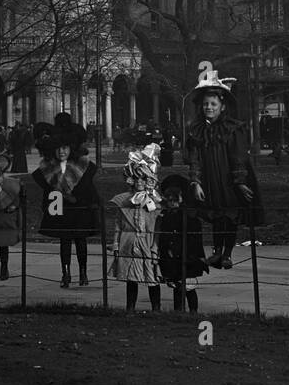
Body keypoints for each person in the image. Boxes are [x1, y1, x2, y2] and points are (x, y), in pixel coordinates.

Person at [185, 70, 264, 270]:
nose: (209, 108)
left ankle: (227, 253)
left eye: (213, 104)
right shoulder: (197, 130)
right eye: (205, 104)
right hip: (209, 177)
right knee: (215, 216)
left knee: (229, 216)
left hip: (228, 178)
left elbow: (238, 156)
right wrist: (196, 181)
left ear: (222, 106)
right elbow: (194, 158)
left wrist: (240, 181)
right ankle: (216, 251)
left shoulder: (232, 128)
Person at [32, 125, 99, 288]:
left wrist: (84, 201)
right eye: (58, 149)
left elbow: (89, 189)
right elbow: (47, 190)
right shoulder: (47, 168)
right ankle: (66, 273)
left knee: (81, 241)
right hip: (61, 209)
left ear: (71, 149)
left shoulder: (83, 166)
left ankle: (83, 272)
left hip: (79, 209)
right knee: (65, 242)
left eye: (65, 148)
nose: (61, 152)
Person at [109, 144, 162, 311]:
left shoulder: (155, 203)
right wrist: (116, 244)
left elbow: (158, 227)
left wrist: (155, 247)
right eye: (137, 179)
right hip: (129, 242)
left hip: (147, 243)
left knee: (152, 276)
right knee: (131, 277)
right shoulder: (124, 201)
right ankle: (130, 308)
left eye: (143, 179)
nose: (139, 182)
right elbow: (118, 224)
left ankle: (156, 308)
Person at [156, 173, 208, 312]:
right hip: (172, 256)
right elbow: (163, 236)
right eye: (169, 200)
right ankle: (179, 311)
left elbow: (195, 238)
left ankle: (193, 311)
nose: (172, 203)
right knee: (177, 286)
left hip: (187, 255)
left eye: (175, 200)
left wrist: (199, 256)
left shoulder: (189, 217)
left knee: (189, 287)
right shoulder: (165, 216)